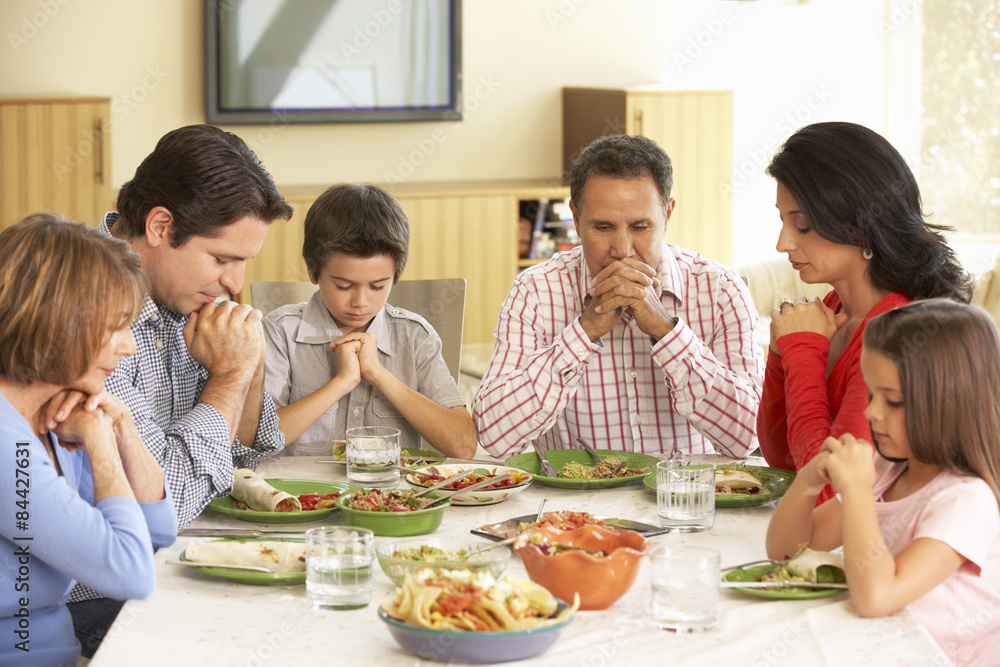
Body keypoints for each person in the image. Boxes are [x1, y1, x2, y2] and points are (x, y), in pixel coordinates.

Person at [68, 124, 292, 657]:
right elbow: (166, 504)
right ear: (161, 226)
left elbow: (241, 454)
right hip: (89, 593)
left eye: (244, 263)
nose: (236, 283)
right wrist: (230, 378)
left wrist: (248, 361)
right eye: (222, 259)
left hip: (164, 558)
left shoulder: (177, 293)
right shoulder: (86, 308)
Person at [473, 134, 764, 458]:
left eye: (640, 227)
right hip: (573, 506)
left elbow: (748, 436)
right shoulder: (536, 290)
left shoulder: (720, 288)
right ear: (577, 217)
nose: (622, 250)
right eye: (603, 228)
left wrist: (667, 333)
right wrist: (583, 333)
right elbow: (494, 436)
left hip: (685, 502)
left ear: (667, 215)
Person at [765, 300, 1000, 666]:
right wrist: (809, 481)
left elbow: (877, 598)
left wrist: (856, 492)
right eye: (873, 395)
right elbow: (788, 553)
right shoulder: (889, 470)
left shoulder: (965, 501)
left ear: (950, 402)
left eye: (892, 401)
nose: (871, 412)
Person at [757, 122, 971, 502]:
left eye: (803, 225)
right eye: (783, 220)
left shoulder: (899, 332)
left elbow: (830, 490)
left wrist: (802, 353)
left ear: (862, 226)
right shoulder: (832, 309)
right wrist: (781, 354)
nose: (782, 243)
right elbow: (783, 463)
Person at [0, 215, 177, 666]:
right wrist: (99, 441)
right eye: (116, 326)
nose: (129, 346)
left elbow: (158, 532)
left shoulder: (52, 419)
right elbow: (131, 571)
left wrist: (123, 429)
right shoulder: (7, 442)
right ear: (57, 321)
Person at [263, 183, 477, 458]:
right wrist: (342, 382)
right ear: (313, 271)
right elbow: (258, 442)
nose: (360, 302)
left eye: (377, 286)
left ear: (395, 275)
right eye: (343, 286)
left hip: (392, 497)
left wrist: (377, 373)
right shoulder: (281, 332)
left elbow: (463, 446)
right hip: (303, 498)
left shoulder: (415, 337)